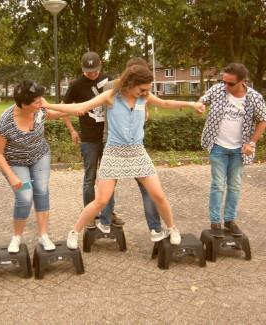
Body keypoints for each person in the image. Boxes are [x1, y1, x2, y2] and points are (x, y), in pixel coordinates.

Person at [42, 64, 205, 249]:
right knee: (101, 200)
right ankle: (74, 232)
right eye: (142, 88)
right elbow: (81, 106)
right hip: (114, 152)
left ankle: (172, 228)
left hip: (137, 152)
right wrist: (47, 105)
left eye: (147, 90)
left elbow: (166, 103)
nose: (145, 92)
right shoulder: (111, 96)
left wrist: (192, 104)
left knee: (158, 195)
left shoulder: (144, 96)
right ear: (131, 83)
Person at [0, 80, 67, 253]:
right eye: (37, 101)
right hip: (15, 162)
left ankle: (43, 235)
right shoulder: (6, 121)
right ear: (24, 104)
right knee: (25, 198)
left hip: (40, 156)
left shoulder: (39, 111)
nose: (41, 103)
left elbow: (57, 113)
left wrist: (78, 110)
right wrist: (11, 176)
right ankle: (16, 237)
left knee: (41, 191)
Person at [98, 57, 165, 242]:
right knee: (109, 186)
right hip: (112, 141)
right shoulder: (110, 88)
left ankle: (155, 228)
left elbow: (145, 110)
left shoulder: (142, 91)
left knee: (147, 188)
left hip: (134, 144)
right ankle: (105, 220)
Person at [199, 63, 266, 238]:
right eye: (224, 81)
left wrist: (252, 143)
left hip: (240, 149)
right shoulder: (217, 90)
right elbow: (203, 100)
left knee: (235, 185)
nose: (226, 86)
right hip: (218, 146)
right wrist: (200, 105)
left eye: (230, 83)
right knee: (217, 185)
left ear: (242, 81)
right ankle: (215, 222)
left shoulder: (254, 98)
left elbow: (262, 120)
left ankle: (230, 221)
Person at [62, 51, 124, 229]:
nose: (92, 74)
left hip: (108, 137)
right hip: (88, 139)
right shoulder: (75, 85)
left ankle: (108, 213)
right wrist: (72, 130)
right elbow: (64, 108)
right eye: (88, 71)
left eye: (95, 71)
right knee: (90, 178)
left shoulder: (108, 80)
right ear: (83, 69)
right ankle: (89, 215)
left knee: (109, 177)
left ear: (100, 65)